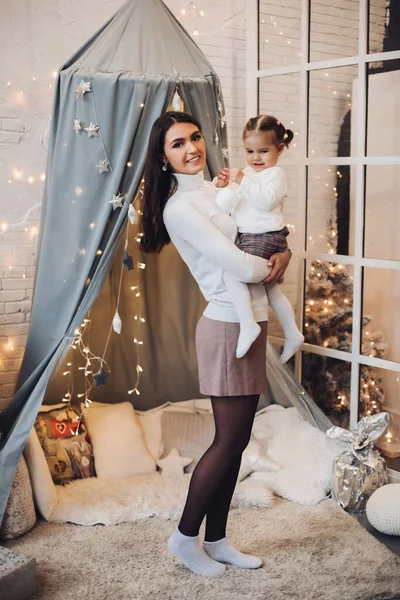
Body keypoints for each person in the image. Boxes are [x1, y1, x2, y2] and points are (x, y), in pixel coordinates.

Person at [140, 111, 291, 577]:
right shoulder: (180, 209)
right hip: (227, 325)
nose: (191, 149)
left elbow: (260, 229)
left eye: (195, 138)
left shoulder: (212, 190)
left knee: (238, 439)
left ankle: (219, 539)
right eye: (177, 144)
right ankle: (185, 538)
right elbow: (241, 265)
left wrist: (281, 250)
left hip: (249, 320)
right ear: (163, 159)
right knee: (226, 443)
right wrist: (271, 260)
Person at [214, 114, 304, 362]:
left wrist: (242, 179)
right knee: (271, 286)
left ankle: (248, 325)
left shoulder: (275, 174)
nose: (256, 158)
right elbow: (227, 207)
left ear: (280, 149)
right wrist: (223, 187)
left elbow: (264, 202)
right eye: (250, 151)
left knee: (230, 273)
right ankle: (293, 332)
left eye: (263, 151)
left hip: (265, 237)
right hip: (251, 237)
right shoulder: (248, 174)